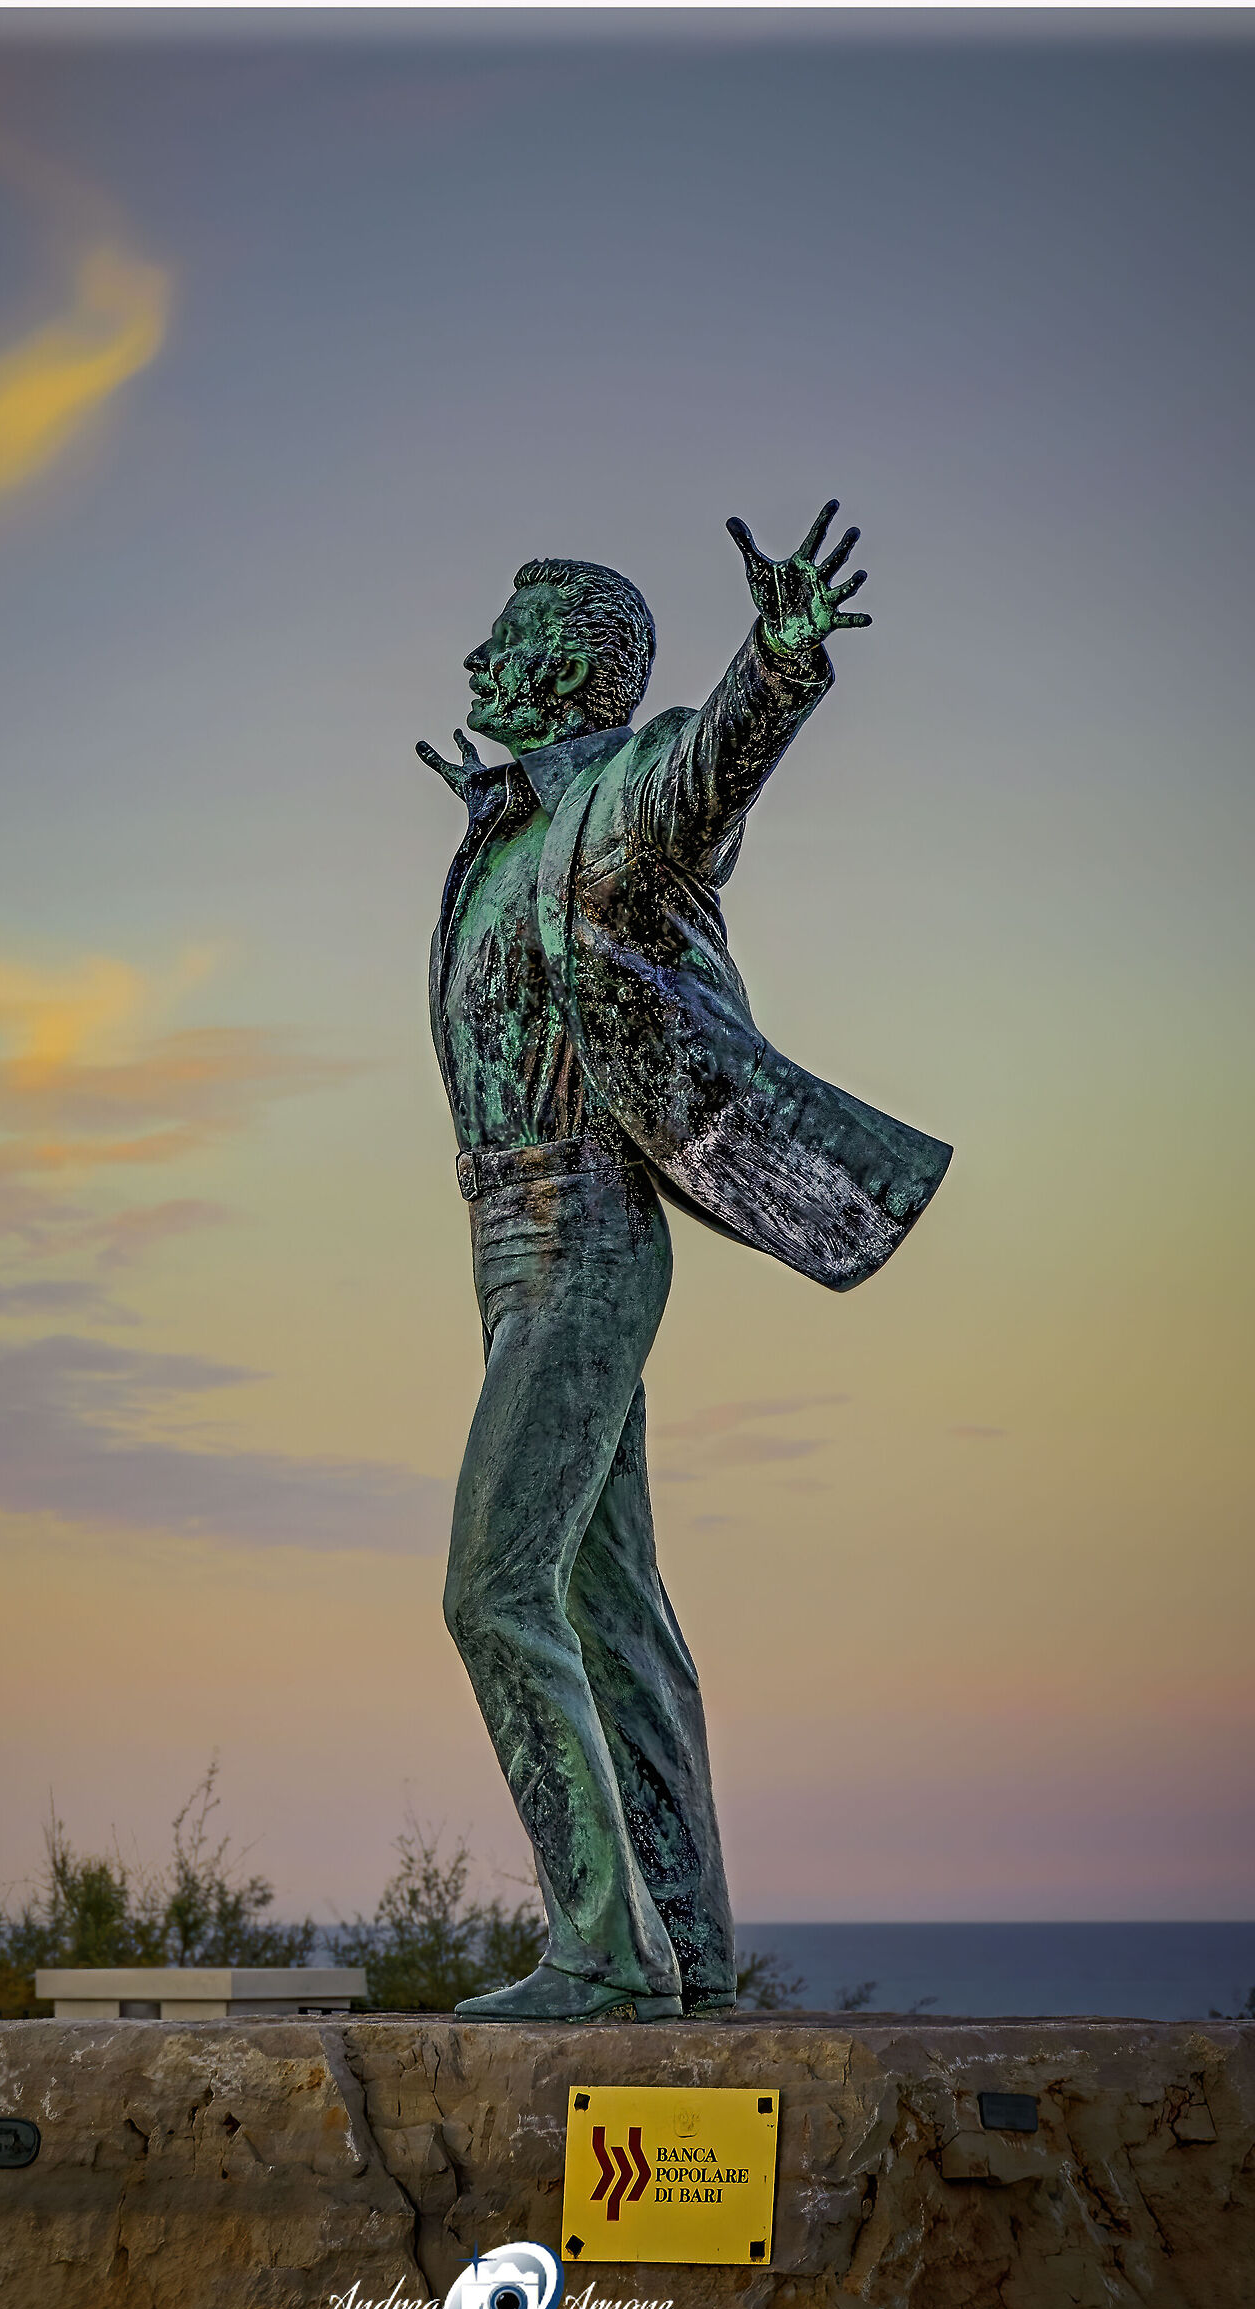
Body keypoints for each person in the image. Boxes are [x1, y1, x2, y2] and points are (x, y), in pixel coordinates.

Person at [417, 502, 951, 2023]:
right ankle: (692, 1956)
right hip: (507, 1237)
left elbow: (708, 767)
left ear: (581, 679)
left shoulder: (625, 800)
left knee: (493, 1586)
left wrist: (775, 664)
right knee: (611, 1606)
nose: (475, 658)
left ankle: (601, 1947)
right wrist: (493, 805)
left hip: (585, 1230)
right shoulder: (512, 828)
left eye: (507, 645)